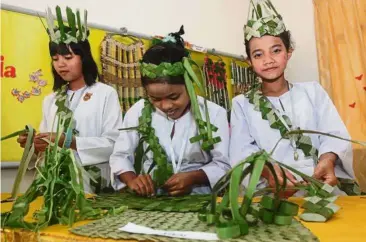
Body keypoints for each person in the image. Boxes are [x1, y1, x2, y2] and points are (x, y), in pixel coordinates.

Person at [230, 0, 355, 196]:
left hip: (321, 187)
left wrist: (328, 160)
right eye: (258, 54)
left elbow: (335, 134)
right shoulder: (241, 104)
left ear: (289, 52)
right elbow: (241, 152)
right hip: (273, 193)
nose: (268, 60)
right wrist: (268, 172)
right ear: (249, 61)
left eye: (276, 50)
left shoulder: (313, 92)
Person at [110, 26, 230, 196]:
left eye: (174, 97)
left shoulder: (213, 113)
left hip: (199, 198)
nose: (166, 106)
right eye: (155, 99)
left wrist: (194, 177)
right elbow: (120, 155)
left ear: (189, 84)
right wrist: (131, 179)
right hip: (152, 199)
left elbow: (224, 163)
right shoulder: (138, 111)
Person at [17, 6, 122, 193]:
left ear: (84, 58)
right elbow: (47, 143)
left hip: (93, 185)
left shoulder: (105, 94)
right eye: (55, 58)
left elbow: (113, 144)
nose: (61, 64)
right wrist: (35, 145)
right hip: (55, 185)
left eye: (68, 57)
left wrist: (69, 141)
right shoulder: (51, 100)